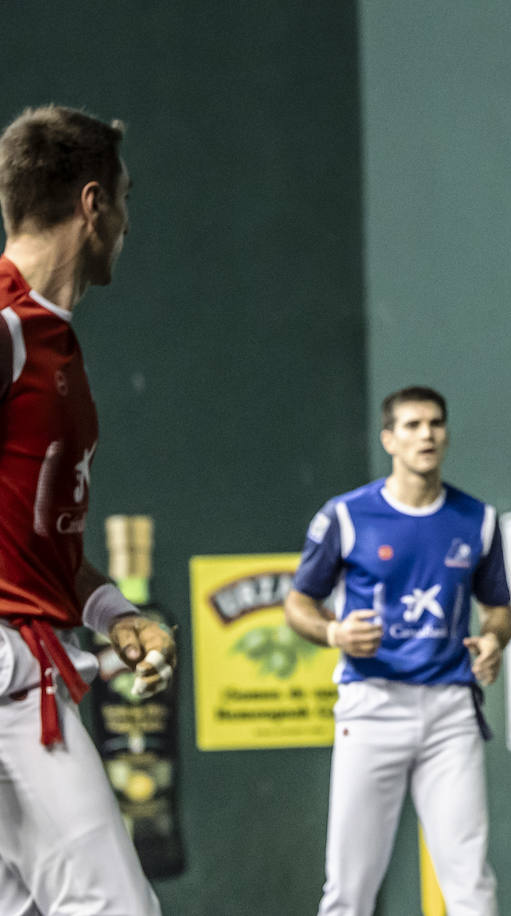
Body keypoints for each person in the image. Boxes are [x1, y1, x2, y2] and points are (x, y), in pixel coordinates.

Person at [0, 105, 174, 915]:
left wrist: (114, 613)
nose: (129, 225)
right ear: (93, 203)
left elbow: (42, 544)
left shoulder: (52, 338)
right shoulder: (6, 326)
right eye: (128, 201)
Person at [285, 385, 511, 916]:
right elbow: (299, 605)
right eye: (411, 425)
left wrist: (493, 640)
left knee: (471, 883)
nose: (426, 434)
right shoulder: (346, 516)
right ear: (389, 439)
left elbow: (498, 609)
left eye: (435, 423)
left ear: (446, 434)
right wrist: (334, 634)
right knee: (350, 887)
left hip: (450, 713)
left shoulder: (477, 520)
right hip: (371, 707)